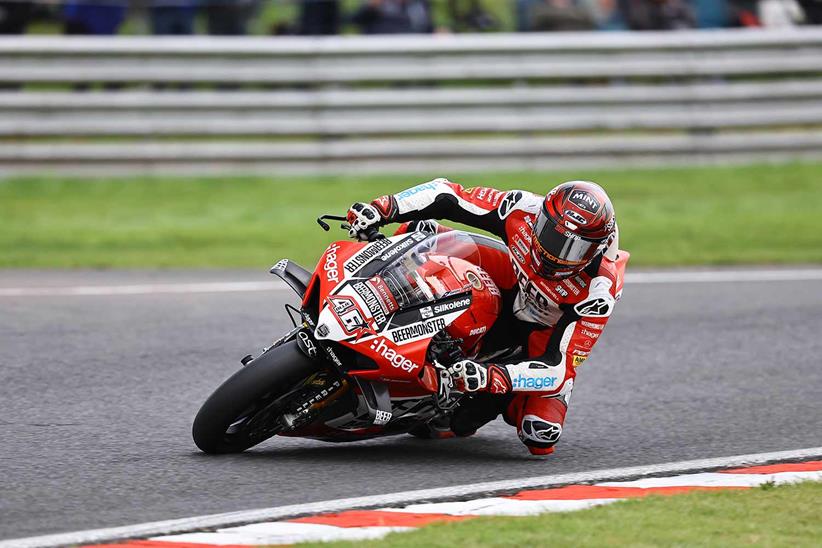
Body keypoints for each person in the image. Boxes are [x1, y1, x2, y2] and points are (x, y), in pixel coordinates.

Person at [346, 179, 628, 455]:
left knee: (540, 432)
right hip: (510, 278)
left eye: (574, 249)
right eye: (552, 237)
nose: (556, 255)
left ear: (597, 250)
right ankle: (366, 297)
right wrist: (384, 208)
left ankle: (477, 395)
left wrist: (491, 376)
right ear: (541, 217)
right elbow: (448, 194)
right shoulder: (521, 209)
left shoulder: (598, 292)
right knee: (423, 232)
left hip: (543, 333)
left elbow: (556, 368)